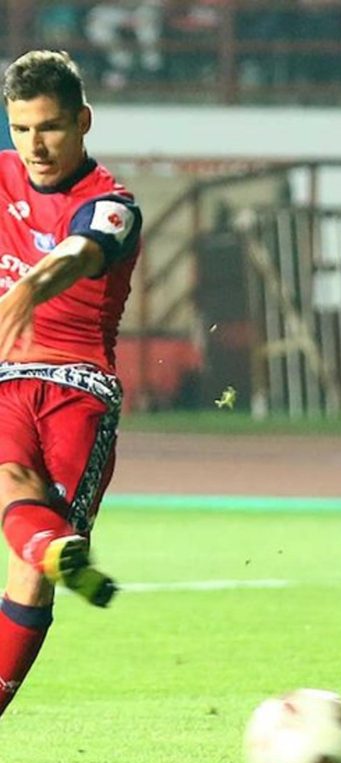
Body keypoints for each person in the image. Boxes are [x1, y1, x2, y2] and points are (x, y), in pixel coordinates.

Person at [0, 50, 142, 717]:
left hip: (78, 392)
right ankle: (54, 546)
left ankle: (49, 546)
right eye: (22, 128)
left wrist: (29, 287)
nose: (36, 145)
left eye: (50, 127)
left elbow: (81, 253)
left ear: (83, 121)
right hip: (7, 380)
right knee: (16, 493)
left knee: (30, 561)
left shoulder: (112, 204)